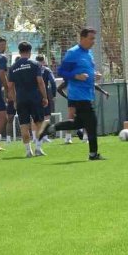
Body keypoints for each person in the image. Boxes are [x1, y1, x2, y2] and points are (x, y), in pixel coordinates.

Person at [41, 28, 105, 160]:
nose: (93, 41)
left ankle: (50, 128)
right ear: (82, 38)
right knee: (91, 122)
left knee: (79, 123)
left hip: (87, 94)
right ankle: (93, 154)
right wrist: (75, 76)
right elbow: (61, 71)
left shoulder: (89, 53)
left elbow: (87, 72)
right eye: (91, 38)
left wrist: (94, 76)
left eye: (94, 39)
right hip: (78, 95)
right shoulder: (72, 53)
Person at [8, 42, 49, 157]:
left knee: (24, 125)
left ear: (19, 52)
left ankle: (28, 151)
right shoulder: (35, 64)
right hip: (35, 98)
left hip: (21, 99)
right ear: (30, 52)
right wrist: (45, 97)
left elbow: (10, 86)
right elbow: (40, 82)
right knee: (39, 123)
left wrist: (15, 101)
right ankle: (38, 149)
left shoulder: (13, 68)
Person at [57, 79, 110, 143]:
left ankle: (85, 137)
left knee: (85, 116)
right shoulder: (71, 77)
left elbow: (93, 84)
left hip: (83, 98)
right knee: (72, 117)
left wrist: (103, 92)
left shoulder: (85, 76)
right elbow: (59, 88)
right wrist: (67, 97)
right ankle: (68, 138)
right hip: (74, 99)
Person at [37, 55, 58, 143]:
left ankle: (36, 137)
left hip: (34, 94)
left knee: (36, 116)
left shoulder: (33, 69)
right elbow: (53, 82)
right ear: (44, 61)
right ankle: (44, 136)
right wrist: (53, 94)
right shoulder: (46, 70)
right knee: (46, 115)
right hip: (45, 93)